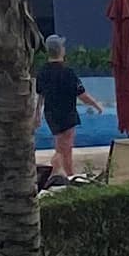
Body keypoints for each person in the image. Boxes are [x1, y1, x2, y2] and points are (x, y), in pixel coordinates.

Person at [35, 43, 86, 183]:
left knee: (61, 145)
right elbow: (81, 94)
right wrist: (96, 104)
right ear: (61, 51)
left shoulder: (42, 72)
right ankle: (64, 173)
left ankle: (63, 172)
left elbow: (40, 96)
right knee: (65, 147)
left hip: (51, 114)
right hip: (67, 113)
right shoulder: (68, 72)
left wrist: (37, 114)